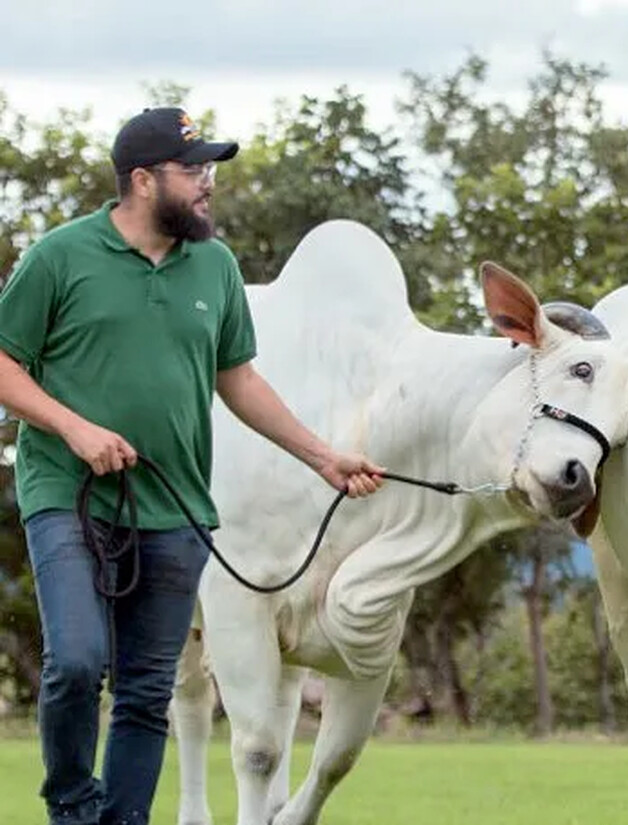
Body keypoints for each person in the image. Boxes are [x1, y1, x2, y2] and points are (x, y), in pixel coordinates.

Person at [0, 107, 387, 825]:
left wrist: (324, 456)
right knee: (78, 662)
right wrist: (75, 427)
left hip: (175, 505)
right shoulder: (60, 256)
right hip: (67, 493)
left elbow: (238, 380)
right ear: (143, 181)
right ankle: (72, 804)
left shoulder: (214, 265)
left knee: (148, 692)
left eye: (209, 169)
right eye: (193, 170)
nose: (208, 184)